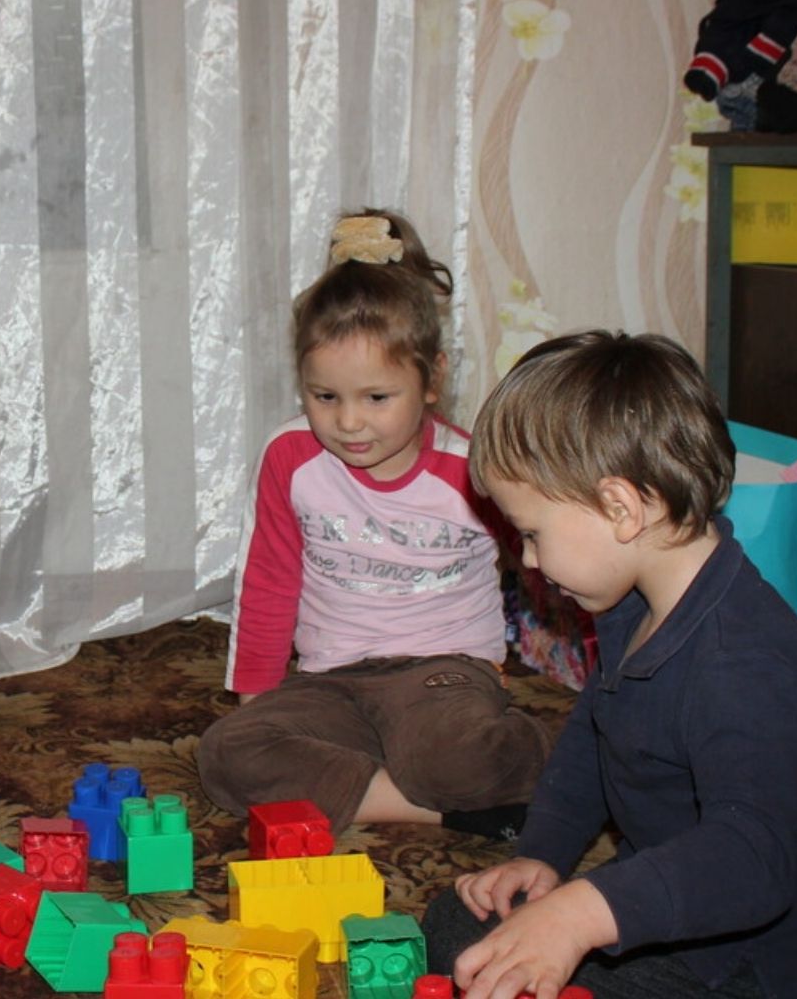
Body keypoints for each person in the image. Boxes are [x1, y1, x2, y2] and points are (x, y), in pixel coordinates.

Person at [422, 331, 797, 999]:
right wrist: (543, 856)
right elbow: (594, 745)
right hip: (666, 918)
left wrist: (579, 912)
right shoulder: (633, 608)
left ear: (621, 509)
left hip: (743, 968)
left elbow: (751, 860)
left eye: (533, 534)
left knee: (498, 964)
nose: (529, 560)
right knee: (461, 924)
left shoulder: (744, 667)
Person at [195, 210, 549, 841]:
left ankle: (472, 768)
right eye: (325, 397)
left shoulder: (472, 469)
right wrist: (260, 699)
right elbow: (271, 578)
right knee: (227, 753)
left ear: (432, 380)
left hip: (443, 671)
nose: (349, 423)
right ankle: (437, 807)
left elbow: (542, 553)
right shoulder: (290, 457)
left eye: (376, 398)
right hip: (333, 680)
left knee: (458, 756)